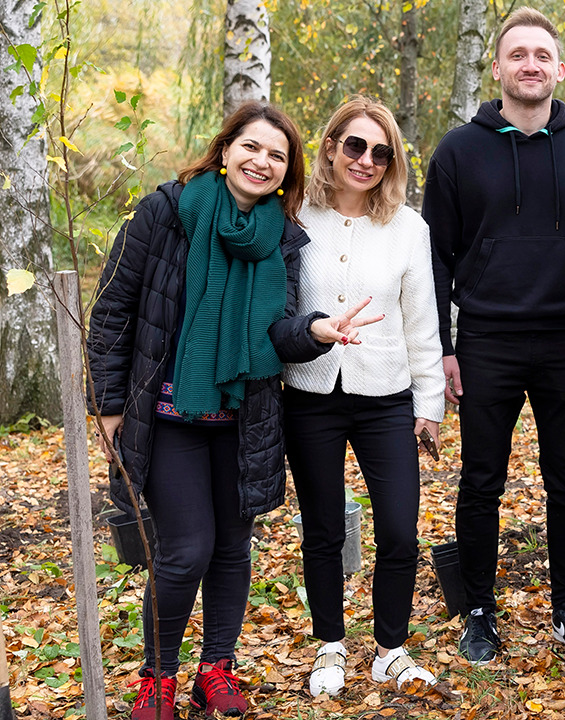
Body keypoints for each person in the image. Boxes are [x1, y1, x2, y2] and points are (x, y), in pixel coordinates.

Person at [88, 102, 341, 720]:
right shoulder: (165, 213)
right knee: (185, 549)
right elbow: (113, 310)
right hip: (170, 415)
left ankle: (216, 668)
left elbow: (277, 332)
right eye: (251, 147)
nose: (261, 161)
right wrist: (109, 404)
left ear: (287, 173)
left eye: (277, 156)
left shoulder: (282, 238)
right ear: (225, 149)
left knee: (232, 548)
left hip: (243, 419)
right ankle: (157, 678)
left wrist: (316, 332)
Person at [422, 6, 565, 664]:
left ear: (559, 68)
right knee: (481, 480)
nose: (530, 64)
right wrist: (445, 348)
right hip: (486, 341)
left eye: (542, 54)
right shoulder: (457, 151)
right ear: (499, 66)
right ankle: (479, 609)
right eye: (519, 54)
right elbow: (437, 259)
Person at [282, 96, 445, 697]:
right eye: (355, 145)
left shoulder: (408, 226)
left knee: (400, 530)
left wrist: (429, 407)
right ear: (330, 146)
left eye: (381, 151)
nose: (366, 160)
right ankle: (329, 645)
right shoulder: (294, 214)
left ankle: (391, 650)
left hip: (385, 397)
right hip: (310, 392)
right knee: (323, 530)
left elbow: (422, 321)